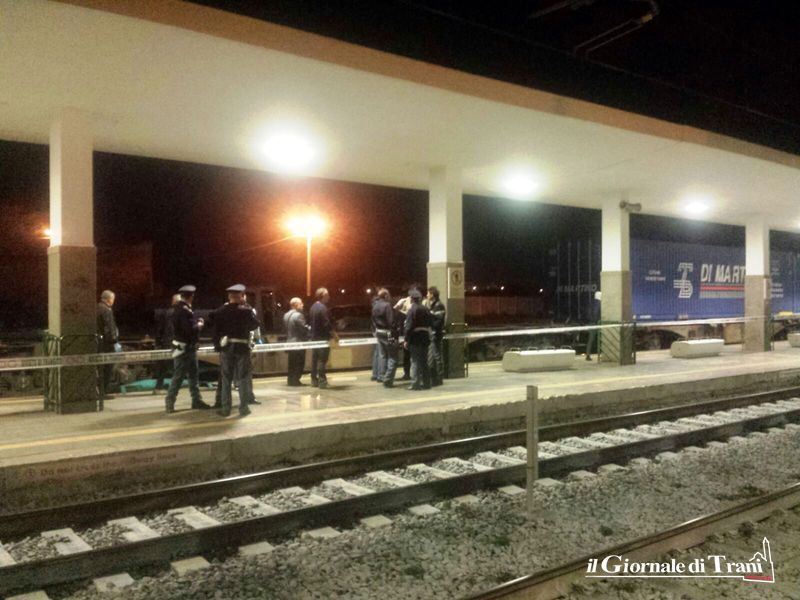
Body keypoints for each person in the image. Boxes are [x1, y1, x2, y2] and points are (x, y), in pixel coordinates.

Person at [211, 284, 260, 417]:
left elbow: (215, 330)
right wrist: (246, 308)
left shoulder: (221, 311)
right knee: (243, 378)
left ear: (229, 296)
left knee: (226, 379)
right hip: (242, 348)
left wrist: (217, 346)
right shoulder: (245, 311)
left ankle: (226, 409)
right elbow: (255, 324)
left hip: (226, 348)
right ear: (241, 296)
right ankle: (243, 408)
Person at [164, 285, 212, 413]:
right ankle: (171, 402)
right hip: (185, 348)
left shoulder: (177, 309)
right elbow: (188, 330)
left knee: (191, 375)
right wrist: (199, 325)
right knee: (181, 376)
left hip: (182, 347)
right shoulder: (184, 310)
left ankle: (195, 400)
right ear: (191, 296)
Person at [404, 288, 432, 390]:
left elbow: (409, 326)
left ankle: (415, 384)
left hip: (415, 338)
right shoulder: (426, 309)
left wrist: (406, 339)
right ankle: (427, 383)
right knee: (424, 361)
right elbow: (430, 322)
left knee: (415, 360)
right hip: (425, 337)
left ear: (411, 299)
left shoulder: (412, 310)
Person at [309, 287, 337, 389]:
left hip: (314, 338)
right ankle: (322, 381)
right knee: (322, 360)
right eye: (327, 295)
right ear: (323, 295)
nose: (329, 297)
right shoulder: (323, 308)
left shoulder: (313, 307)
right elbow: (326, 324)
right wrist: (334, 335)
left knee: (315, 360)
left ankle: (314, 380)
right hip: (322, 338)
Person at [372, 288, 400, 388]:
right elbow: (391, 322)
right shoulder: (387, 305)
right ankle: (388, 379)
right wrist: (395, 335)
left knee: (382, 355)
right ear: (386, 296)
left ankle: (381, 375)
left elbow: (373, 320)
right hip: (388, 333)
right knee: (392, 355)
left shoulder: (375, 306)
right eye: (388, 295)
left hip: (379, 332)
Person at [153, 294, 180, 394]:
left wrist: (158, 342)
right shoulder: (179, 314)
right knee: (177, 366)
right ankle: (172, 387)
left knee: (163, 367)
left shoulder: (165, 313)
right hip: (175, 343)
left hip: (166, 343)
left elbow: (160, 329)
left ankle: (159, 387)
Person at [96, 290, 119, 399]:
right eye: (113, 299)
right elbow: (109, 328)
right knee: (108, 368)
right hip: (106, 344)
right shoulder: (106, 310)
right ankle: (103, 392)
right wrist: (114, 340)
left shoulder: (97, 308)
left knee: (99, 368)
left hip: (98, 342)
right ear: (109, 299)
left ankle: (98, 391)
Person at [284, 297, 310, 386]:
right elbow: (304, 329)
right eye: (301, 303)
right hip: (298, 343)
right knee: (299, 363)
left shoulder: (286, 315)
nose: (303, 305)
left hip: (289, 342)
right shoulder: (298, 315)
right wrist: (309, 329)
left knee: (291, 363)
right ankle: (296, 380)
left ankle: (290, 380)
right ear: (296, 305)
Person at [426, 286, 446, 387]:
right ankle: (435, 378)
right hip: (433, 333)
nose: (426, 295)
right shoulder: (433, 305)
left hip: (436, 334)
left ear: (432, 295)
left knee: (437, 356)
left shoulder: (438, 306)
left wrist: (430, 324)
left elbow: (438, 321)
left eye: (428, 293)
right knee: (433, 356)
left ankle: (438, 378)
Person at [394, 290, 414, 381]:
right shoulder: (403, 315)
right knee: (407, 355)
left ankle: (410, 374)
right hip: (406, 336)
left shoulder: (411, 312)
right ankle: (408, 374)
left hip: (409, 336)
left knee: (409, 355)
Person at [585, 290, 602, 361]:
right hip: (596, 323)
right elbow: (596, 312)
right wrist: (598, 320)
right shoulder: (599, 303)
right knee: (601, 339)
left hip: (591, 323)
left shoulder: (591, 303)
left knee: (590, 340)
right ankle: (600, 354)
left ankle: (588, 354)